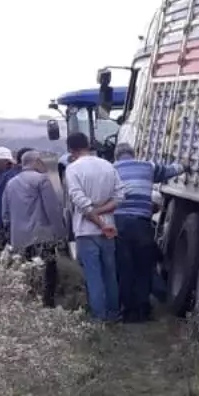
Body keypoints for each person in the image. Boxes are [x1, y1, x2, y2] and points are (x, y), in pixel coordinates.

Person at [111, 142, 184, 323]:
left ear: (116, 156)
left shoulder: (110, 169)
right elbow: (169, 171)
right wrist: (183, 165)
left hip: (119, 224)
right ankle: (143, 310)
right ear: (133, 153)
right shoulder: (147, 167)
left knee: (124, 267)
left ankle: (127, 311)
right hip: (142, 224)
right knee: (144, 267)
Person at [63, 132, 125, 322]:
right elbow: (120, 196)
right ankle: (114, 313)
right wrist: (104, 218)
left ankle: (99, 317)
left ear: (71, 150)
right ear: (88, 145)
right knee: (110, 274)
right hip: (109, 230)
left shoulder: (72, 169)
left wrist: (97, 218)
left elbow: (80, 202)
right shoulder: (108, 165)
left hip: (86, 231)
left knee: (93, 276)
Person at [2, 149, 70, 307]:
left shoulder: (11, 183)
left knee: (27, 271)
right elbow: (52, 209)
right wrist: (61, 233)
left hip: (19, 238)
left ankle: (29, 303)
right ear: (36, 161)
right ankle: (48, 303)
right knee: (48, 271)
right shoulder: (41, 180)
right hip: (42, 235)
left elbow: (5, 213)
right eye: (41, 160)